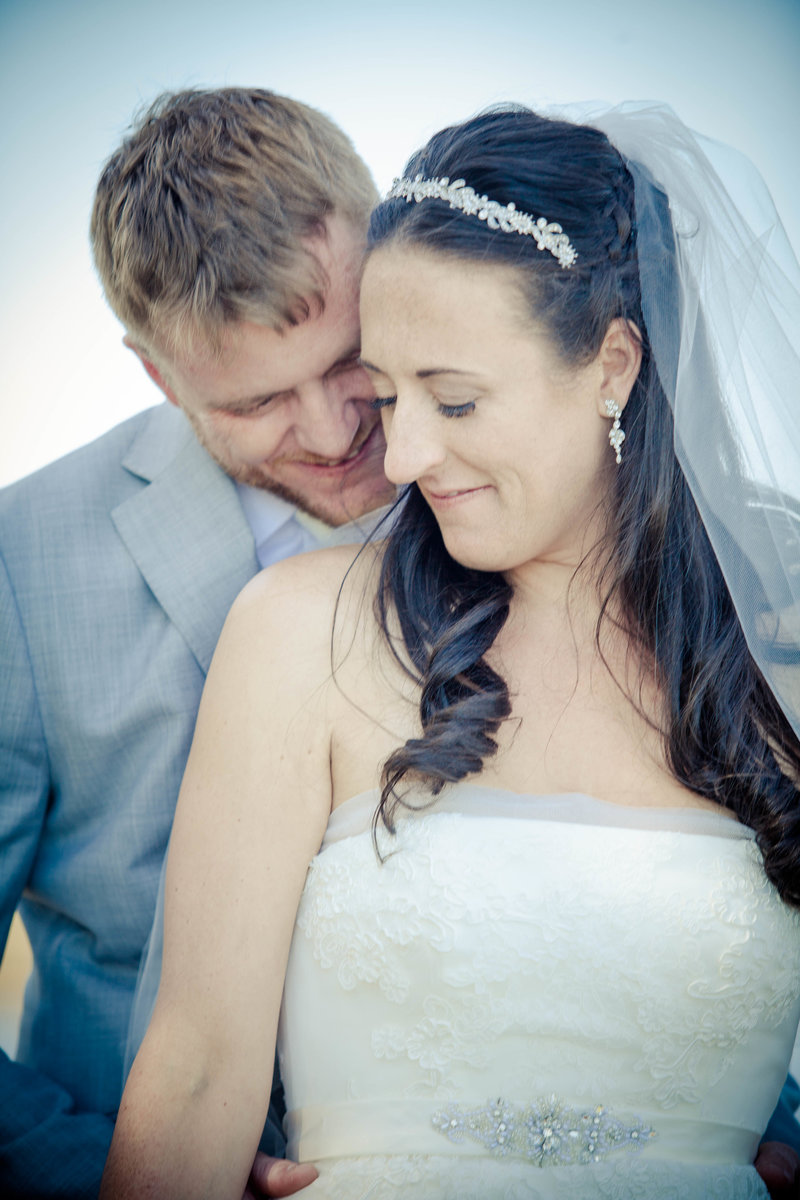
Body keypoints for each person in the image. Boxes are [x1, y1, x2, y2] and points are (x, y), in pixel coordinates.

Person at [101, 102, 800, 1199]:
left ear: (612, 366)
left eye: (455, 398)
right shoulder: (296, 629)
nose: (399, 451)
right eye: (386, 393)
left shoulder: (779, 662)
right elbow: (193, 1073)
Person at [0, 86, 395, 1200]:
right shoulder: (19, 565)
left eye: (350, 357)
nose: (330, 431)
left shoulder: (515, 493)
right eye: (258, 401)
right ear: (160, 377)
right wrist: (108, 1172)